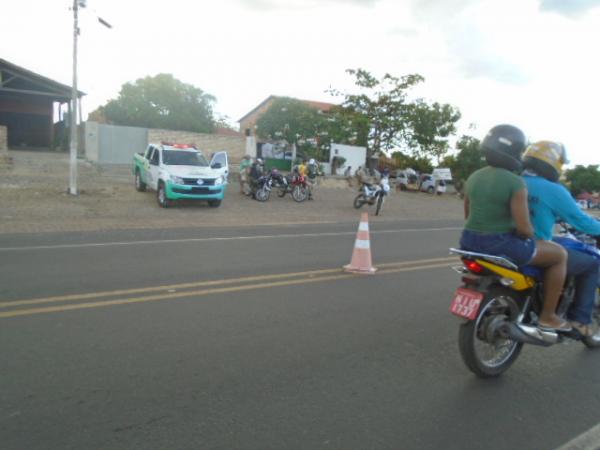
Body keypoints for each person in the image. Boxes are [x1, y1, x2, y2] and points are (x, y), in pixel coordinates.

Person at [460, 124, 569, 332]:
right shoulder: (515, 182)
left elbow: (468, 215)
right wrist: (527, 235)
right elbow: (524, 228)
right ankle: (547, 316)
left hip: (468, 241)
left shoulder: (474, 177)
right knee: (560, 255)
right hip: (500, 244)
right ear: (514, 151)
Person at [522, 141, 600, 336]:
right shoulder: (554, 189)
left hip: (510, 241)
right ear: (553, 163)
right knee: (591, 264)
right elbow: (581, 221)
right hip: (536, 245)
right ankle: (580, 320)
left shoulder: (515, 180)